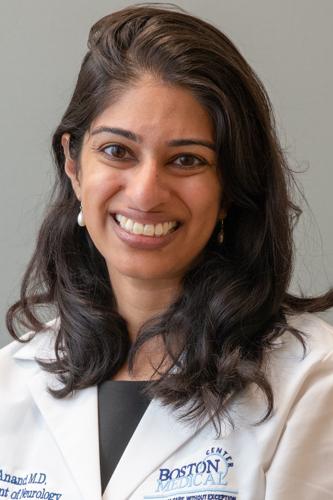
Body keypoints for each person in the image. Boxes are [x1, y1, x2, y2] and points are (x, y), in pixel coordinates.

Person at [1, 4, 333, 500]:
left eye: (186, 159)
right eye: (118, 151)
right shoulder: (11, 381)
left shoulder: (310, 380)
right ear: (73, 164)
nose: (146, 191)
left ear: (230, 187)